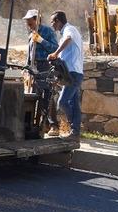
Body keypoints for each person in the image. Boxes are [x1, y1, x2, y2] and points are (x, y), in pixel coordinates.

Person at [47, 10, 85, 141]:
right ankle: (75, 132)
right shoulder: (65, 33)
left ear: (58, 21)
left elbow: (69, 39)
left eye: (53, 22)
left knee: (62, 102)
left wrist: (56, 53)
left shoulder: (70, 29)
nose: (52, 25)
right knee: (74, 104)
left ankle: (74, 127)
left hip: (73, 73)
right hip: (70, 73)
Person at [23, 9, 60, 137]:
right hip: (34, 67)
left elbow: (55, 48)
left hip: (45, 66)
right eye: (27, 21)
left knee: (47, 96)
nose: (27, 23)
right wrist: (27, 68)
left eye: (29, 20)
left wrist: (41, 40)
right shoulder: (31, 33)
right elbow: (30, 53)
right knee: (34, 96)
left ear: (36, 19)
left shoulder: (47, 31)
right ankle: (38, 125)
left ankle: (53, 125)